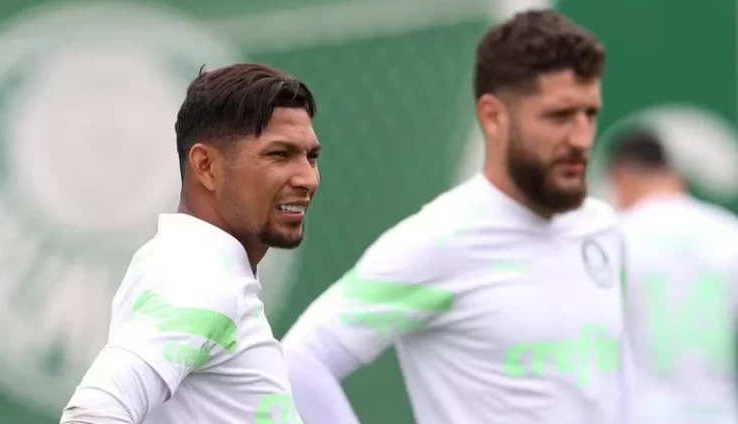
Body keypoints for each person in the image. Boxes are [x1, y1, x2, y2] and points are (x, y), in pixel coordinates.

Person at [282, 9, 632, 424]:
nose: (581, 138)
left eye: (589, 114)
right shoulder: (440, 240)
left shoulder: (602, 227)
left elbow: (615, 381)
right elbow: (299, 362)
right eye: (559, 116)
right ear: (494, 116)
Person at [60, 63, 320, 424]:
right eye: (279, 154)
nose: (307, 178)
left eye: (311, 157)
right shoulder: (200, 277)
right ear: (206, 166)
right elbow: (93, 414)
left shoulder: (196, 265)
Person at [606, 128, 738, 424]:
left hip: (640, 414)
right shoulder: (729, 233)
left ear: (621, 176)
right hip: (721, 414)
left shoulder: (614, 237)